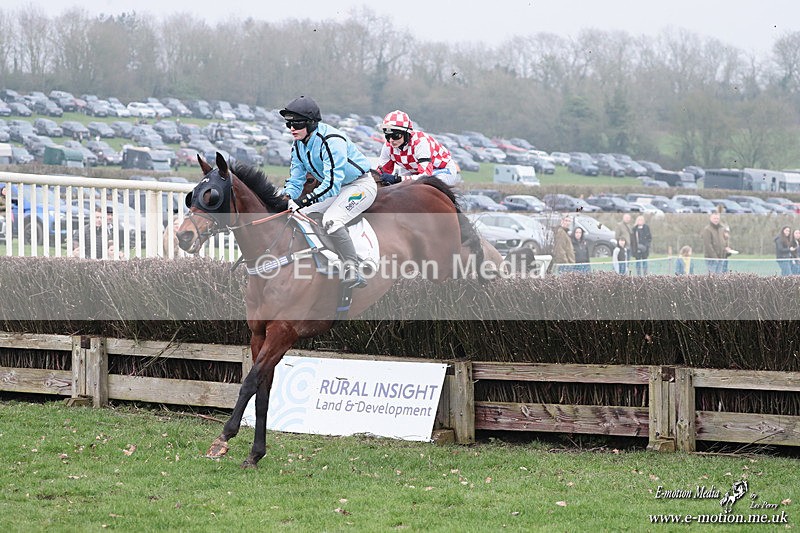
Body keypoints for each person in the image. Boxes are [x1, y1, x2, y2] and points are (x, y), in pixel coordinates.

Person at [280, 95, 376, 288]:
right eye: (289, 123)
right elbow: (296, 179)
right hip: (339, 189)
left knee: (332, 220)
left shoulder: (331, 141)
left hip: (360, 186)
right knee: (298, 216)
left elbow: (332, 183)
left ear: (311, 123)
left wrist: (304, 200)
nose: (292, 128)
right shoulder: (298, 145)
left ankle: (352, 268)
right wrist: (287, 196)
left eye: (296, 124)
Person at [375, 110, 462, 188]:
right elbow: (381, 172)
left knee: (425, 187)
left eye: (395, 136)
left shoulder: (420, 142)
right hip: (417, 172)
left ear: (406, 133)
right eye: (388, 136)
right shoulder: (388, 146)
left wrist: (397, 178)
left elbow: (425, 176)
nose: (391, 140)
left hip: (443, 170)